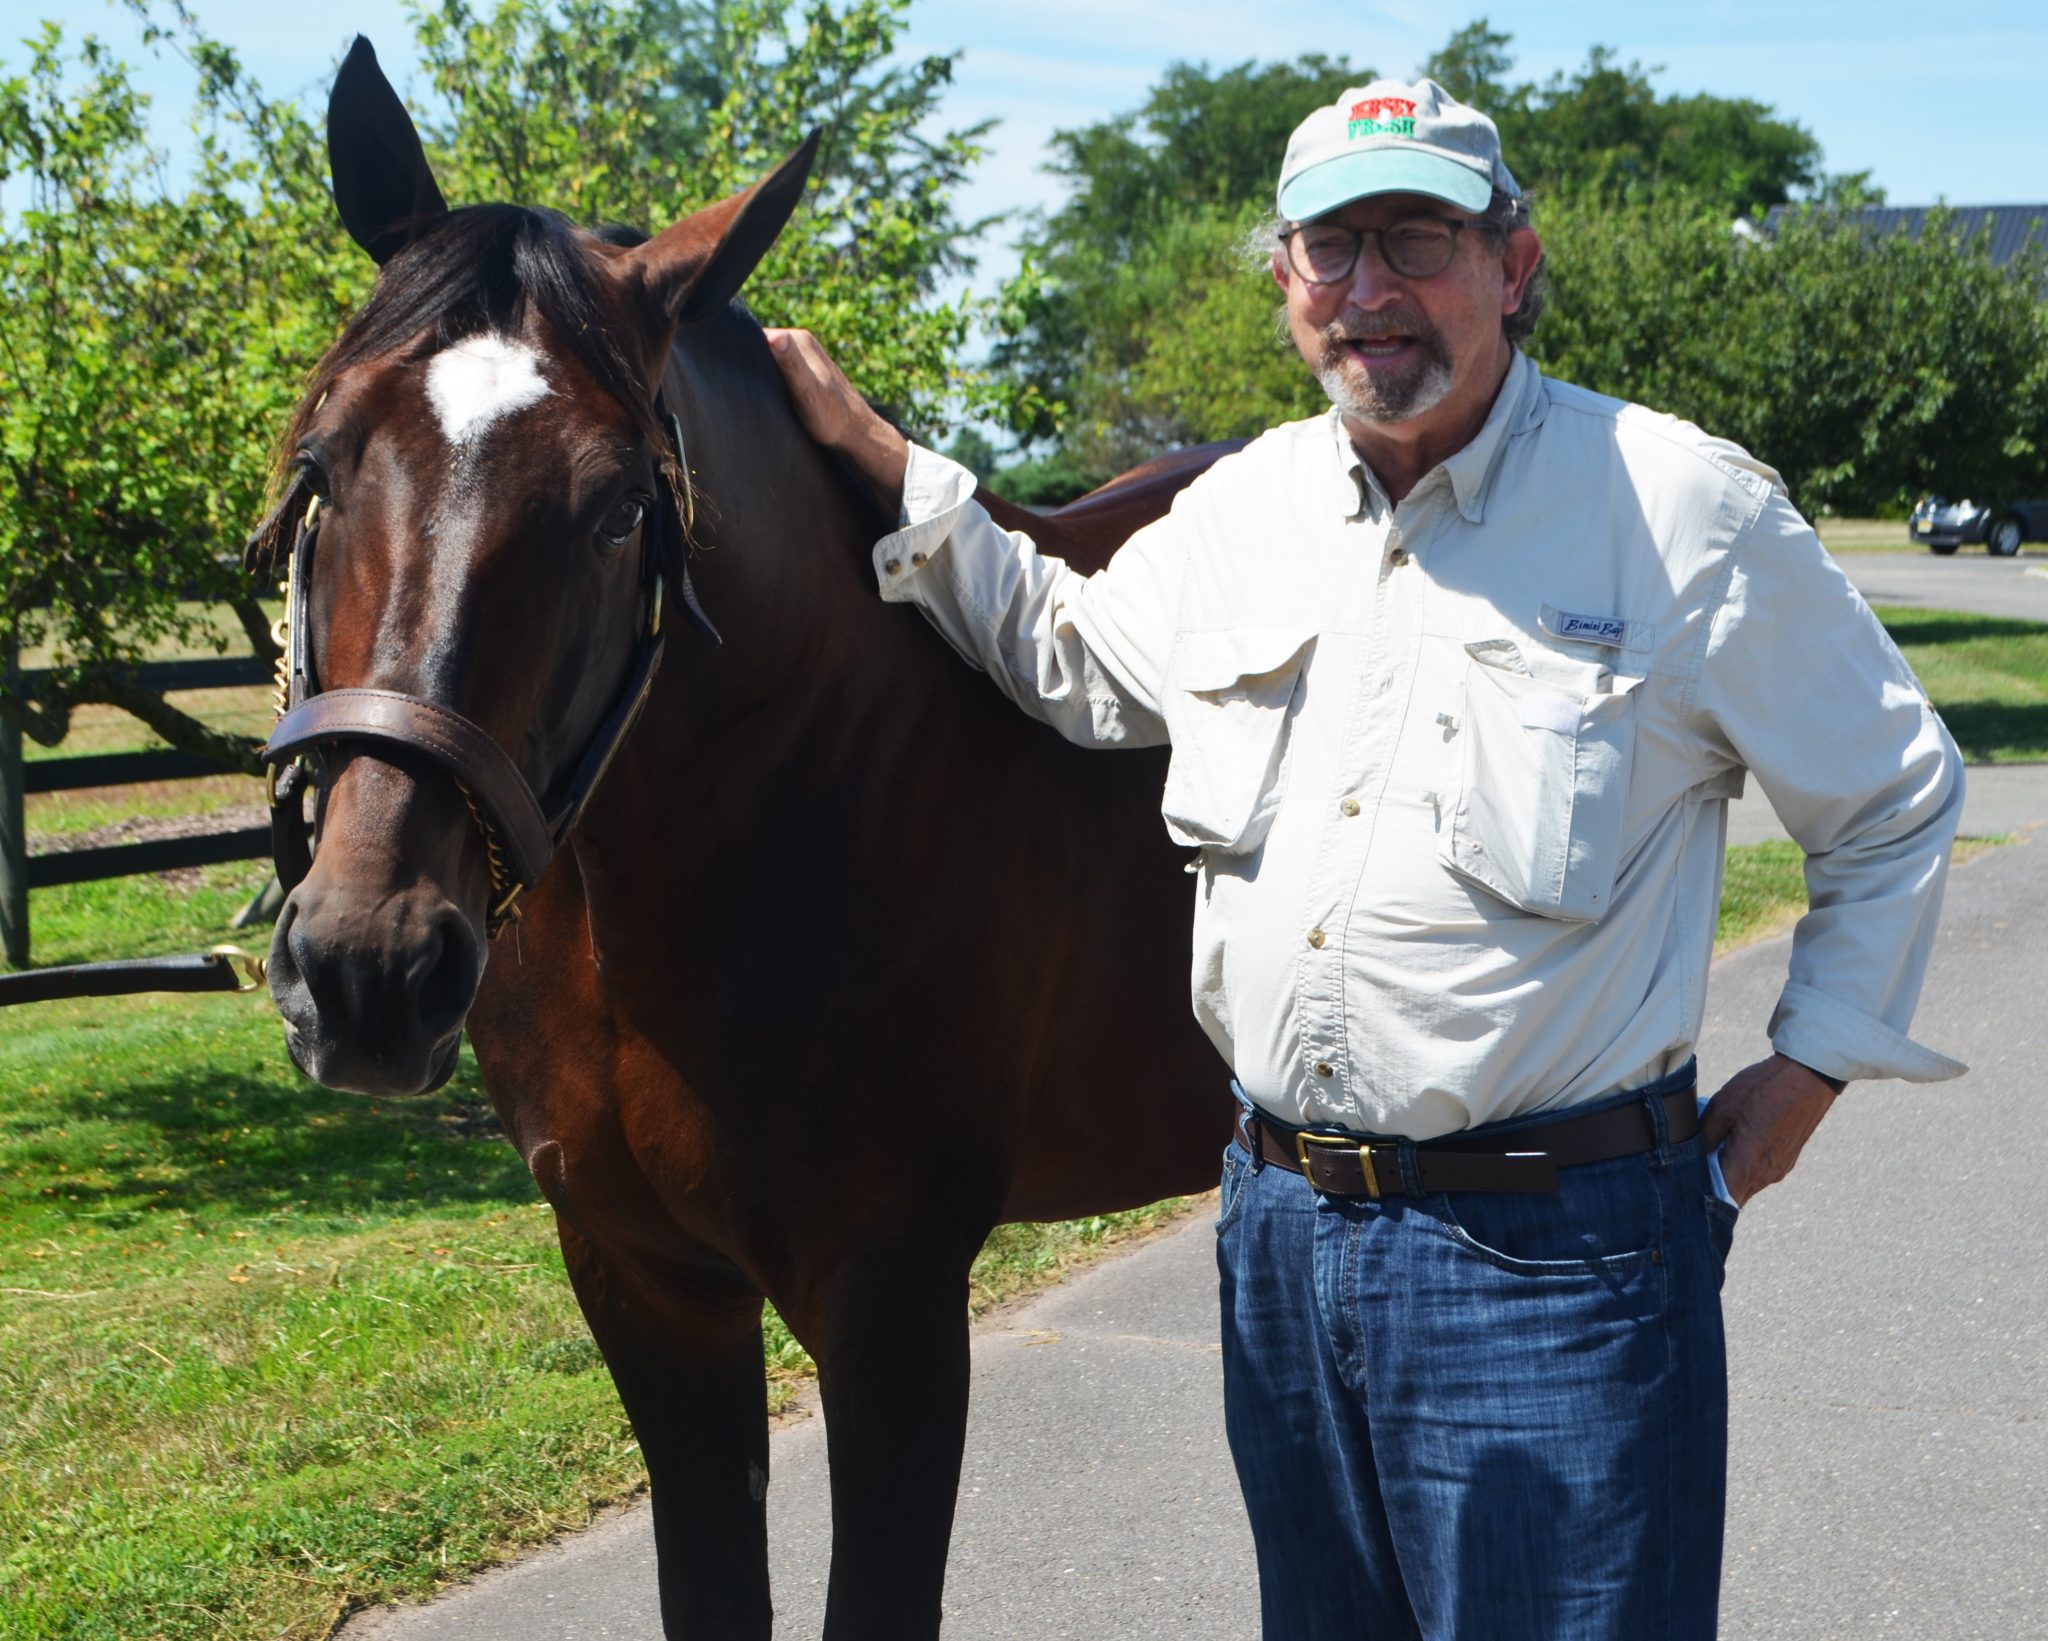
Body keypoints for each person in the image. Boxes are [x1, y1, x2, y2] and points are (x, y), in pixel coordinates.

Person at [767, 76, 1964, 1641]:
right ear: (1284, 280)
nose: (1371, 291)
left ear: (1514, 263)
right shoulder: (1245, 509)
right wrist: (883, 458)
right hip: (1279, 1237)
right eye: (1332, 249)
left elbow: (1892, 799)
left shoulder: (1678, 513)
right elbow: (1067, 655)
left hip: (1563, 1267)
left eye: (1418, 239)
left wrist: (1806, 1073)